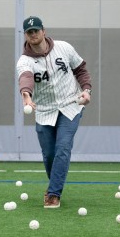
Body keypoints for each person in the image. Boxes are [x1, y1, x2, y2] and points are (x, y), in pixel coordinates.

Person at [17, 15, 92, 209]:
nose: (33, 34)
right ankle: (54, 185)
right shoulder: (24, 61)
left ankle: (53, 194)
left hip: (71, 106)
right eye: (29, 32)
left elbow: (81, 70)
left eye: (36, 30)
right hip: (44, 111)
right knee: (49, 154)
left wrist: (86, 90)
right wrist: (26, 94)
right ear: (25, 35)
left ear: (44, 31)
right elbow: (26, 78)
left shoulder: (64, 48)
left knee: (63, 148)